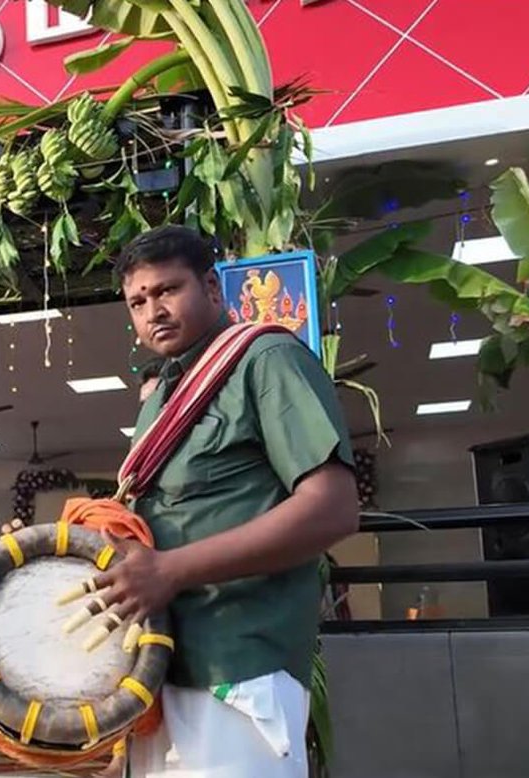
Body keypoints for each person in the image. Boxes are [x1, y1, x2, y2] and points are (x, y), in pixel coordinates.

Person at [91, 226, 360, 777]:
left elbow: (333, 507)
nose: (153, 312)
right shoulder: (160, 397)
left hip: (241, 668)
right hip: (163, 667)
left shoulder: (268, 360)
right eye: (138, 302)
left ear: (213, 288)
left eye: (167, 290)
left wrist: (171, 570)